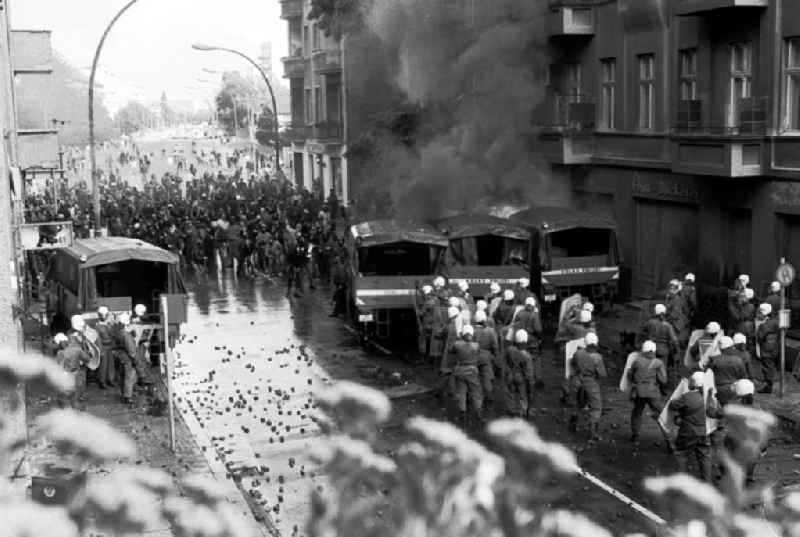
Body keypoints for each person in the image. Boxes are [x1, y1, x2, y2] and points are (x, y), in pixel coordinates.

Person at [669, 371, 717, 482]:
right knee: (705, 458)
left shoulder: (687, 397)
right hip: (705, 431)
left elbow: (673, 405)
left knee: (681, 455)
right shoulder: (709, 396)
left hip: (688, 432)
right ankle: (707, 483)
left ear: (694, 383)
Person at [568, 332, 607, 441]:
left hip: (577, 381)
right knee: (596, 407)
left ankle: (573, 424)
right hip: (590, 383)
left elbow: (572, 363)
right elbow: (602, 374)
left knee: (577, 403)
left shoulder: (578, 353)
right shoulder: (598, 358)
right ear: (596, 344)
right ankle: (592, 432)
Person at [629, 340, 668, 443]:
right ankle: (669, 440)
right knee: (661, 415)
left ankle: (635, 435)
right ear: (654, 351)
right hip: (653, 393)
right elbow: (664, 380)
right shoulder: (658, 363)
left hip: (639, 392)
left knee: (637, 412)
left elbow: (630, 376)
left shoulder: (636, 361)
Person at [451, 325, 483, 427]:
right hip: (472, 372)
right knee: (475, 392)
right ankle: (478, 412)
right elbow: (478, 354)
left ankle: (462, 413)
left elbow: (451, 350)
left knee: (462, 392)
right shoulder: (476, 345)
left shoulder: (457, 344)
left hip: (460, 371)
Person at [504, 329, 536, 418]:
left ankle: (512, 411)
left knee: (511, 393)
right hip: (521, 377)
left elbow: (506, 356)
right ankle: (522, 412)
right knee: (523, 395)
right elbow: (529, 373)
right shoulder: (526, 356)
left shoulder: (510, 349)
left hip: (511, 375)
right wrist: (531, 384)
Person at [640, 303, 680, 375]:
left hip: (651, 350)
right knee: (662, 371)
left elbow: (643, 329)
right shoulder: (668, 326)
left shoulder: (650, 323)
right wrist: (677, 350)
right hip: (663, 351)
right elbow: (675, 340)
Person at [707, 336, 748, 406]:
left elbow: (707, 377)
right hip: (735, 390)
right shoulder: (739, 360)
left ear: (720, 348)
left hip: (718, 391)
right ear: (731, 347)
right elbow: (744, 377)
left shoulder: (714, 360)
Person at [54, 332, 89, 407]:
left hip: (65, 376)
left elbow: (58, 366)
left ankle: (68, 412)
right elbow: (87, 359)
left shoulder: (60, 353)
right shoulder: (77, 349)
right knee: (75, 396)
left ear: (60, 343)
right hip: (77, 375)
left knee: (65, 398)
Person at [473, 310, 498, 408]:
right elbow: (495, 345)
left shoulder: (471, 330)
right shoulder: (490, 331)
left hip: (474, 355)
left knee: (475, 377)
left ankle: (475, 397)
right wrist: (496, 356)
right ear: (484, 320)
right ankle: (489, 397)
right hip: (486, 356)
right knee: (486, 377)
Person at [755, 303, 779, 393]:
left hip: (767, 350)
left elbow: (760, 338)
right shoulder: (775, 321)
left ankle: (768, 387)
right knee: (770, 366)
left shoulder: (765, 325)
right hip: (774, 348)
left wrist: (758, 329)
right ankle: (768, 385)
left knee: (767, 368)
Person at [94, 306, 117, 389]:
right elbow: (98, 340)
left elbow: (113, 336)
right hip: (103, 348)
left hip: (109, 347)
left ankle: (110, 380)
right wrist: (100, 350)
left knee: (111, 365)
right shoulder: (98, 327)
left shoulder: (108, 325)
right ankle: (102, 381)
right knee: (103, 366)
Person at [666, 280, 690, 346]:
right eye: (670, 287)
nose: (671, 288)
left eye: (674, 287)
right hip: (673, 323)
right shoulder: (670, 298)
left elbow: (675, 314)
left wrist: (665, 321)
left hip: (676, 325)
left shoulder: (677, 299)